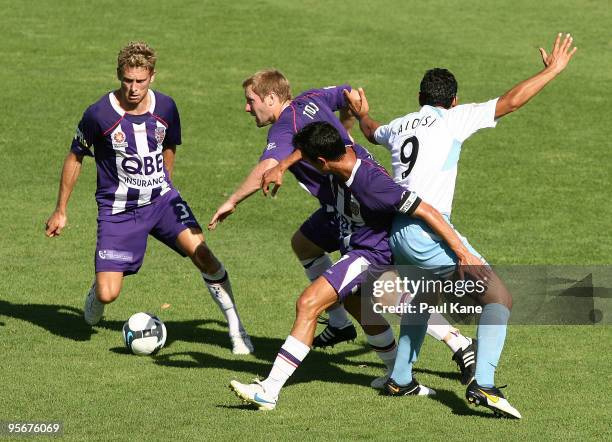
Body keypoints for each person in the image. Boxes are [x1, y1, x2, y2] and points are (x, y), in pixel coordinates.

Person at [342, 33, 577, 418]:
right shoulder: (453, 119)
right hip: (429, 230)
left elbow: (371, 131)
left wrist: (363, 110)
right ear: (451, 100)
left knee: (423, 298)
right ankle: (483, 384)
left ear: (420, 97)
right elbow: (511, 102)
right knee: (499, 298)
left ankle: (400, 377)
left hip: (399, 232)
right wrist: (551, 71)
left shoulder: (401, 126)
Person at [211, 69, 476, 386]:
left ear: (271, 98)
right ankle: (343, 327)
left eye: (251, 101)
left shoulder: (283, 128)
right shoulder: (311, 98)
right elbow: (348, 93)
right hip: (339, 206)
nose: (247, 108)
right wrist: (350, 117)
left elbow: (265, 169)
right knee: (305, 244)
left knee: (381, 295)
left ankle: (456, 343)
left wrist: (233, 200)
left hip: (359, 213)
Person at [44, 41, 253, 354]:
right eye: (127, 80)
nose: (133, 88)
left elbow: (170, 145)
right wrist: (61, 210)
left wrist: (166, 182)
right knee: (108, 294)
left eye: (140, 81)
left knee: (204, 256)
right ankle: (99, 286)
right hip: (119, 211)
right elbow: (76, 156)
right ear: (119, 76)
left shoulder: (166, 107)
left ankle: (237, 330)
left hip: (162, 202)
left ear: (152, 77)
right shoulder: (99, 114)